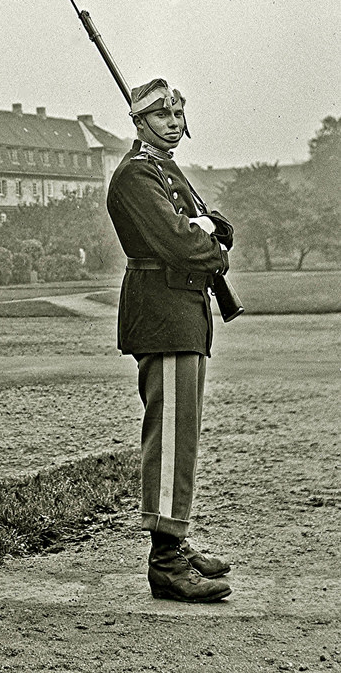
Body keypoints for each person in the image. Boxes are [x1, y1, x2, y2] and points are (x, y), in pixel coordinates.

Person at [106, 77, 234, 603]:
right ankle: (165, 561)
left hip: (181, 310)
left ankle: (174, 542)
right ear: (139, 123)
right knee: (173, 438)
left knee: (182, 437)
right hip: (163, 311)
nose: (174, 124)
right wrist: (212, 245)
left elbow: (214, 224)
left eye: (178, 116)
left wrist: (209, 230)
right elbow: (183, 244)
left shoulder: (162, 168)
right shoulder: (137, 176)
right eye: (162, 117)